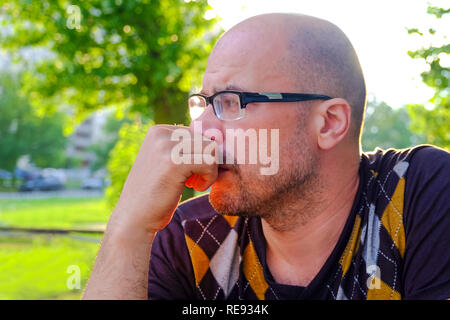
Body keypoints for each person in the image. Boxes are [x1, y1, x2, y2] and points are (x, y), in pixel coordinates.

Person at [83, 13, 450, 300]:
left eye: (232, 102)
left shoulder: (419, 195)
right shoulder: (191, 237)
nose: (201, 131)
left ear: (329, 124)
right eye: (204, 104)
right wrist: (128, 227)